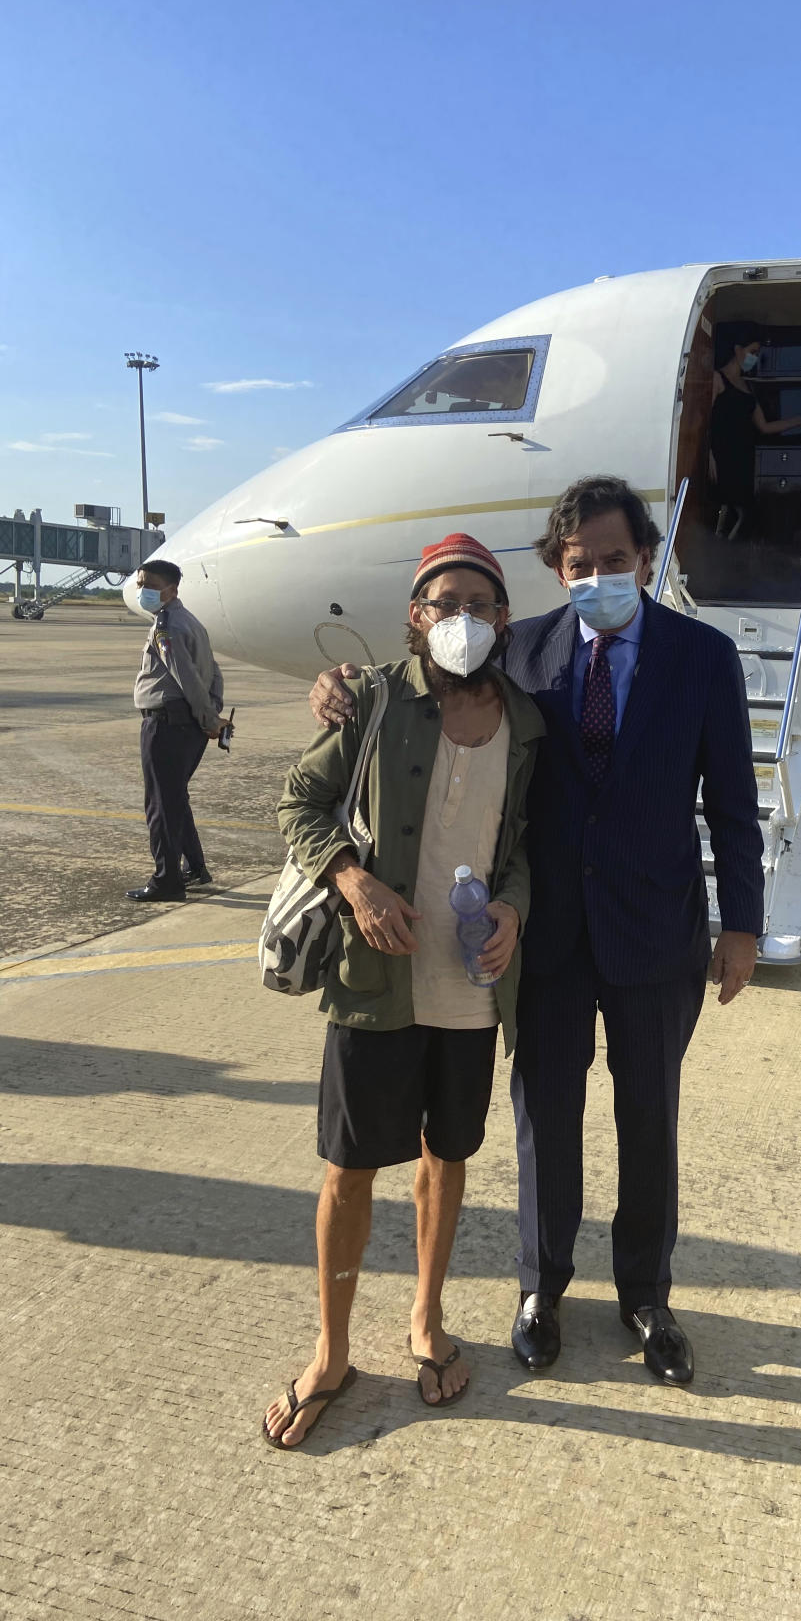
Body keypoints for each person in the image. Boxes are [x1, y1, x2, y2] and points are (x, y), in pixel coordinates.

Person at [310, 477, 764, 1388]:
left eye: (616, 560)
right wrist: (339, 687)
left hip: (654, 934)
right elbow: (424, 671)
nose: (599, 574)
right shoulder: (518, 652)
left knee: (650, 1116)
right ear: (558, 571)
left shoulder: (704, 657)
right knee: (543, 1118)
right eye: (580, 563)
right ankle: (541, 1287)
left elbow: (734, 805)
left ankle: (646, 1293)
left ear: (647, 559)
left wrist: (742, 924)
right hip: (544, 937)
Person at [263, 535, 544, 1448]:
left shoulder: (528, 725)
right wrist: (353, 881)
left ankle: (426, 1317)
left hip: (469, 987)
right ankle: (332, 1349)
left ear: (504, 619)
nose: (461, 619)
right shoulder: (373, 699)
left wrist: (511, 906)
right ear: (415, 617)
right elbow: (299, 802)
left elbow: (530, 849)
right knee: (349, 1170)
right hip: (373, 979)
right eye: (442, 603)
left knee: (447, 1155)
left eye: (479, 603)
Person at [127, 560, 229, 903]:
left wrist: (209, 718)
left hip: (167, 724)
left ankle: (167, 880)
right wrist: (210, 713)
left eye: (149, 585)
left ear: (171, 589)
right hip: (187, 726)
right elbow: (213, 673)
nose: (143, 591)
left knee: (160, 805)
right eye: (141, 583)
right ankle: (194, 867)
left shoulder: (167, 625)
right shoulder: (192, 622)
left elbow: (185, 675)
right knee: (174, 799)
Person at [710, 323, 801, 541]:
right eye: (752, 352)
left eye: (757, 353)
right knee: (731, 509)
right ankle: (721, 552)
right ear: (737, 350)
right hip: (723, 454)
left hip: (744, 456)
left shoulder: (747, 386)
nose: (754, 357)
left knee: (745, 510)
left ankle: (729, 553)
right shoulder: (717, 379)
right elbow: (704, 421)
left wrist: (799, 421)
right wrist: (709, 455)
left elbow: (765, 426)